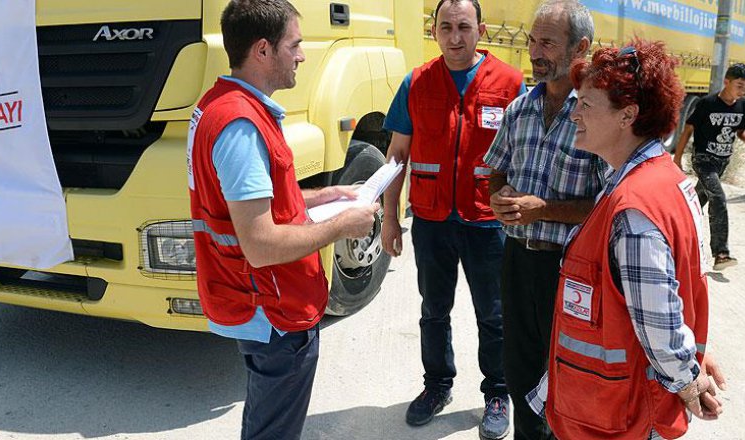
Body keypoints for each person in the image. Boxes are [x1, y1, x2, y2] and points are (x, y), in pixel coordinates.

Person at [186, 1, 378, 439]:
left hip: (258, 303)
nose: (302, 55)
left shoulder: (222, 105)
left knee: (265, 419)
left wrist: (324, 195)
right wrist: (342, 225)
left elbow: (258, 203)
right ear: (262, 50)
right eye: (294, 44)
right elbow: (260, 243)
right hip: (273, 310)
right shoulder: (240, 126)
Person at [526, 39, 725, 440]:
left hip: (623, 415)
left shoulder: (633, 209)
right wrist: (692, 360)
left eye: (586, 105)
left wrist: (688, 379)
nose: (573, 114)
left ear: (627, 115)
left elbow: (660, 322)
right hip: (618, 406)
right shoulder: (661, 181)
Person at [380, 0, 524, 437]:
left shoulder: (510, 82)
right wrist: (389, 217)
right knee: (434, 311)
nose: (455, 37)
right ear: (435, 30)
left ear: (480, 30)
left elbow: (524, 154)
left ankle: (498, 392)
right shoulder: (417, 82)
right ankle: (437, 385)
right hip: (431, 218)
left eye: (464, 27)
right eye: (446, 27)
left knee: (494, 315)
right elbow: (397, 155)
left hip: (487, 221)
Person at [482, 1, 603, 439]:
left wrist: (545, 208)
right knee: (520, 372)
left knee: (569, 376)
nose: (535, 51)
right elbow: (496, 170)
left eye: (548, 42)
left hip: (571, 271)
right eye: (533, 40)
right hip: (516, 260)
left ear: (581, 48)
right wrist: (499, 196)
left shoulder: (597, 115)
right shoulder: (519, 110)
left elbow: (611, 204)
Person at [673, 63, 745, 270]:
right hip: (703, 160)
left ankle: (673, 235)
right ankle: (721, 253)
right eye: (739, 85)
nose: (743, 91)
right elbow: (687, 130)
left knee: (694, 203)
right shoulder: (707, 103)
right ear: (726, 82)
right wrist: (677, 159)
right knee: (718, 198)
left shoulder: (743, 106)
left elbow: (740, 131)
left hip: (722, 163)